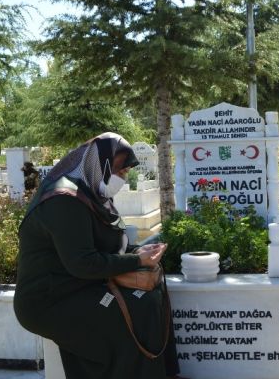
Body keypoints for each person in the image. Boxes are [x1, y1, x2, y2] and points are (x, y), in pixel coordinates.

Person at [14, 133, 182, 379]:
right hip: (50, 300)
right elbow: (83, 263)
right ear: (98, 165)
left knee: (149, 298)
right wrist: (137, 260)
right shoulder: (64, 200)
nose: (123, 178)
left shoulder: (91, 194)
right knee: (131, 316)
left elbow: (102, 247)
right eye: (119, 171)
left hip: (80, 285)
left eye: (126, 173)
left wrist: (137, 252)